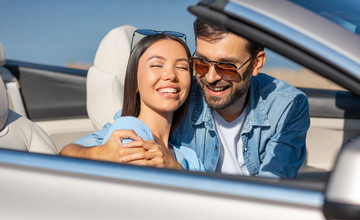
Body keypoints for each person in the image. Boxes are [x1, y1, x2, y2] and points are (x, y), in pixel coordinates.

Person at [62, 19, 310, 178]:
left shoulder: (287, 106)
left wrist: (177, 170)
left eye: (226, 66)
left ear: (256, 63)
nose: (211, 77)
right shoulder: (175, 98)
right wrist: (98, 154)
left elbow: (272, 194)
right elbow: (76, 150)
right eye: (200, 63)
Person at [61, 32, 204, 171]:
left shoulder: (189, 157)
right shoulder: (130, 130)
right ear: (134, 82)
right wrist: (98, 153)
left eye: (182, 67)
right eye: (156, 65)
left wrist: (176, 167)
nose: (171, 75)